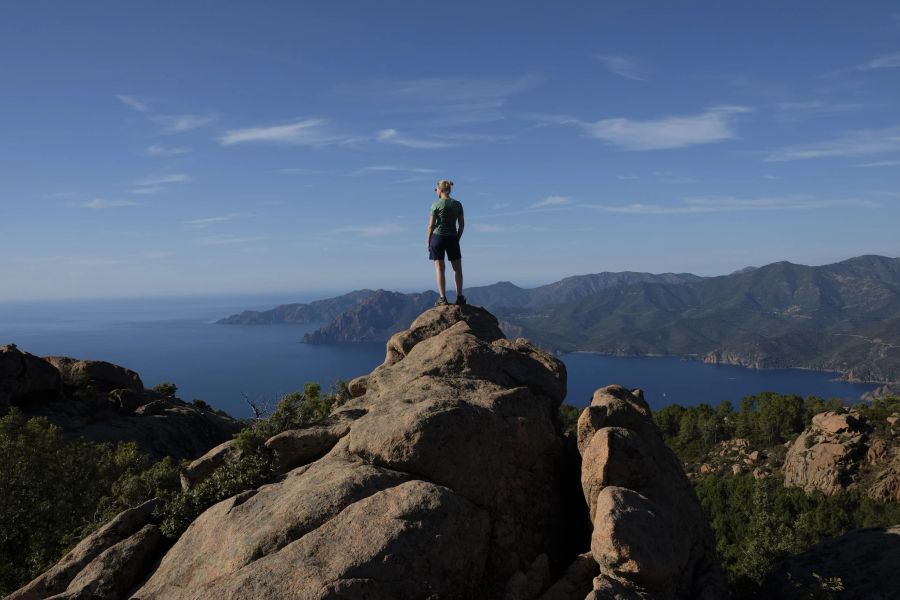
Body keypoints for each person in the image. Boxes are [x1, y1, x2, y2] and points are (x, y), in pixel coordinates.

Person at [426, 179, 465, 306]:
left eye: (436, 189)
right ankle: (459, 297)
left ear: (440, 190)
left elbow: (431, 226)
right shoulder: (458, 204)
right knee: (457, 269)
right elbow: (462, 225)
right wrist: (457, 239)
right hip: (452, 238)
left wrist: (428, 241)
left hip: (437, 238)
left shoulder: (435, 205)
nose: (435, 191)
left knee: (440, 268)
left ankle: (442, 298)